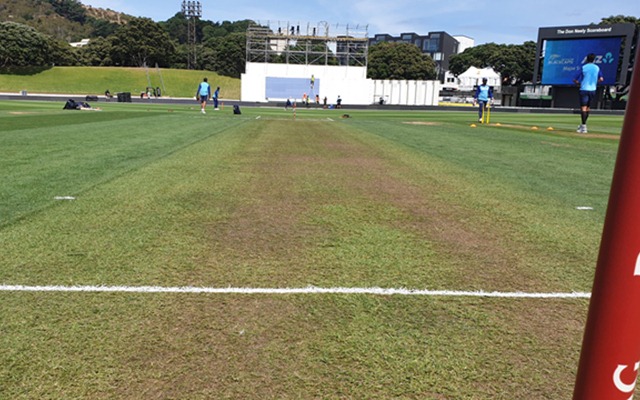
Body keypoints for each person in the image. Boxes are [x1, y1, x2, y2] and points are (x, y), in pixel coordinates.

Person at [573, 53, 604, 133]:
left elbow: (575, 79)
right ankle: (584, 125)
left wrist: (579, 84)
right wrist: (595, 83)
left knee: (583, 107)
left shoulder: (584, 67)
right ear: (594, 59)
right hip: (593, 89)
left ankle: (583, 126)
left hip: (584, 89)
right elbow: (601, 79)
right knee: (588, 107)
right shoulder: (597, 68)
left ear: (587, 59)